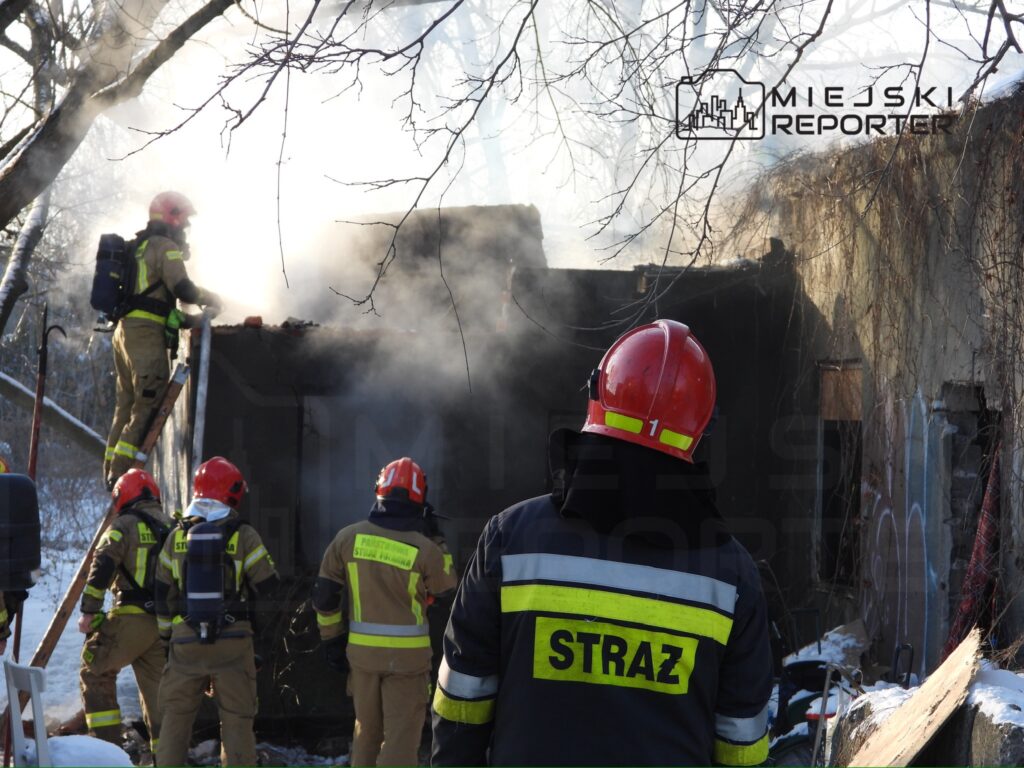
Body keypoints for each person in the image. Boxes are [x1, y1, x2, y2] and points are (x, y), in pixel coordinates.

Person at [431, 320, 773, 767]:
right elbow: (741, 748)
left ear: (599, 397)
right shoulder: (732, 576)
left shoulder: (511, 539)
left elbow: (463, 704)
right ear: (699, 429)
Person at [314, 457, 458, 767]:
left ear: (378, 491)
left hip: (362, 658)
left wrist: (332, 640)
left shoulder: (347, 538)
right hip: (407, 662)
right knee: (400, 738)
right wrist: (437, 537)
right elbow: (447, 589)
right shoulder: (426, 549)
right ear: (420, 498)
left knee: (366, 732)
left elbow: (325, 596)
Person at [154, 456, 279, 767]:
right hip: (234, 641)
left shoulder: (176, 536)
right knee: (237, 720)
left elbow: (162, 593)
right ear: (232, 492)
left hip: (185, 641)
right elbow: (269, 587)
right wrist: (259, 641)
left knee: (175, 719)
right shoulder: (244, 535)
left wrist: (168, 637)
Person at [104, 191, 222, 488]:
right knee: (148, 401)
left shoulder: (138, 247)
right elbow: (182, 288)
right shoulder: (165, 246)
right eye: (185, 222)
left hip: (125, 332)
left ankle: (110, 469)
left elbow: (155, 305)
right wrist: (211, 298)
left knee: (127, 405)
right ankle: (121, 477)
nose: (186, 229)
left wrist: (190, 320)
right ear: (174, 216)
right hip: (143, 336)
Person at [77, 469, 171, 751]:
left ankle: (106, 752)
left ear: (123, 496)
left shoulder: (123, 526)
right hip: (164, 624)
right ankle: (168, 757)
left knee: (94, 671)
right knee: (159, 696)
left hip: (131, 617)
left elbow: (103, 563)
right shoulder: (174, 527)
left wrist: (89, 610)